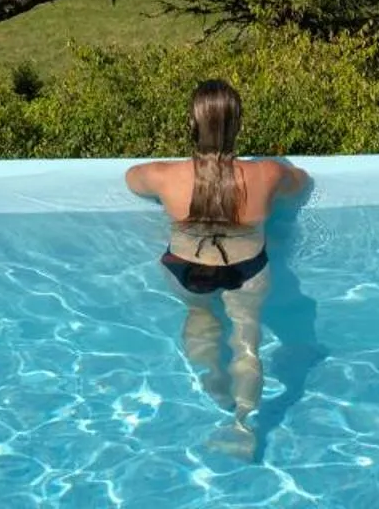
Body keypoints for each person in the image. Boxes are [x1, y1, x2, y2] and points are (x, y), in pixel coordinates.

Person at [124, 80, 309, 455]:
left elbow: (131, 178)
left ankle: (214, 384)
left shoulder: (165, 176)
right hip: (247, 269)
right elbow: (301, 181)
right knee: (247, 342)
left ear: (192, 125)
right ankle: (243, 425)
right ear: (238, 124)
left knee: (200, 318)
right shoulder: (267, 175)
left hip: (186, 268)